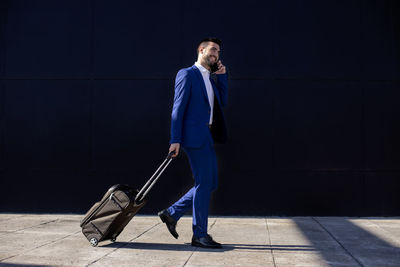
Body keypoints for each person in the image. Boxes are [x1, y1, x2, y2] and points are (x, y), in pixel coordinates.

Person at [158, 37, 228, 249]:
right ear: (201, 50)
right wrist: (175, 140)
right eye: (212, 49)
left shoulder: (211, 78)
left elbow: (222, 102)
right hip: (193, 136)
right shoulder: (187, 74)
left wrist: (222, 77)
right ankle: (199, 234)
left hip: (206, 136)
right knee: (204, 183)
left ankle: (172, 213)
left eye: (218, 51)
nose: (216, 54)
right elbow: (177, 109)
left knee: (210, 183)